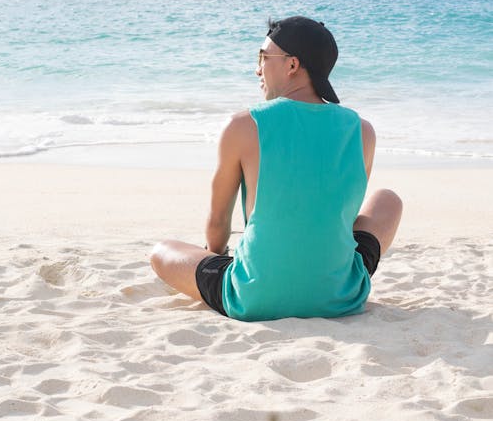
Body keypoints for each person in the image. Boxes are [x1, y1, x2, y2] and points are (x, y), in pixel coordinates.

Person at [151, 16, 402, 321]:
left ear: (292, 65)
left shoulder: (244, 125)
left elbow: (219, 221)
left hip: (254, 299)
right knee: (388, 200)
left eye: (263, 58)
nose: (257, 69)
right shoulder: (362, 130)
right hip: (341, 296)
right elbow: (339, 218)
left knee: (162, 251)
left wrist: (214, 262)